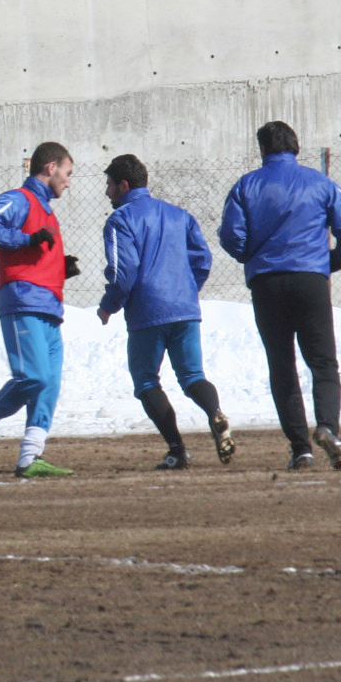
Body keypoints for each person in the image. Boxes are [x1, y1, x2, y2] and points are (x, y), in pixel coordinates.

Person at [219, 121, 341, 469]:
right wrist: (335, 258)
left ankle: (300, 447)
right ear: (296, 147)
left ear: (262, 150)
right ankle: (329, 427)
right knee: (323, 362)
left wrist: (252, 256)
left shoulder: (246, 185)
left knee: (282, 365)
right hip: (310, 279)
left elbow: (230, 236)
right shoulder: (320, 182)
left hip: (267, 283)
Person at [95, 154, 235, 470]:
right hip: (185, 309)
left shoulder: (120, 220)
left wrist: (109, 306)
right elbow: (202, 260)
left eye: (109, 185)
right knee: (193, 376)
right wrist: (184, 292)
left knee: (146, 382)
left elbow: (123, 272)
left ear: (123, 185)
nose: (107, 193)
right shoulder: (179, 215)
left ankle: (178, 449)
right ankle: (214, 412)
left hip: (148, 311)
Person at [0, 142, 81, 478]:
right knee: (34, 377)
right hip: (23, 302)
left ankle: (30, 457)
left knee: (49, 383)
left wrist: (58, 266)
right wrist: (26, 241)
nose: (69, 182)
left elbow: (33, 248)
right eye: (68, 174)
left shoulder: (47, 211)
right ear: (51, 167)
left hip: (48, 308)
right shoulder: (18, 199)